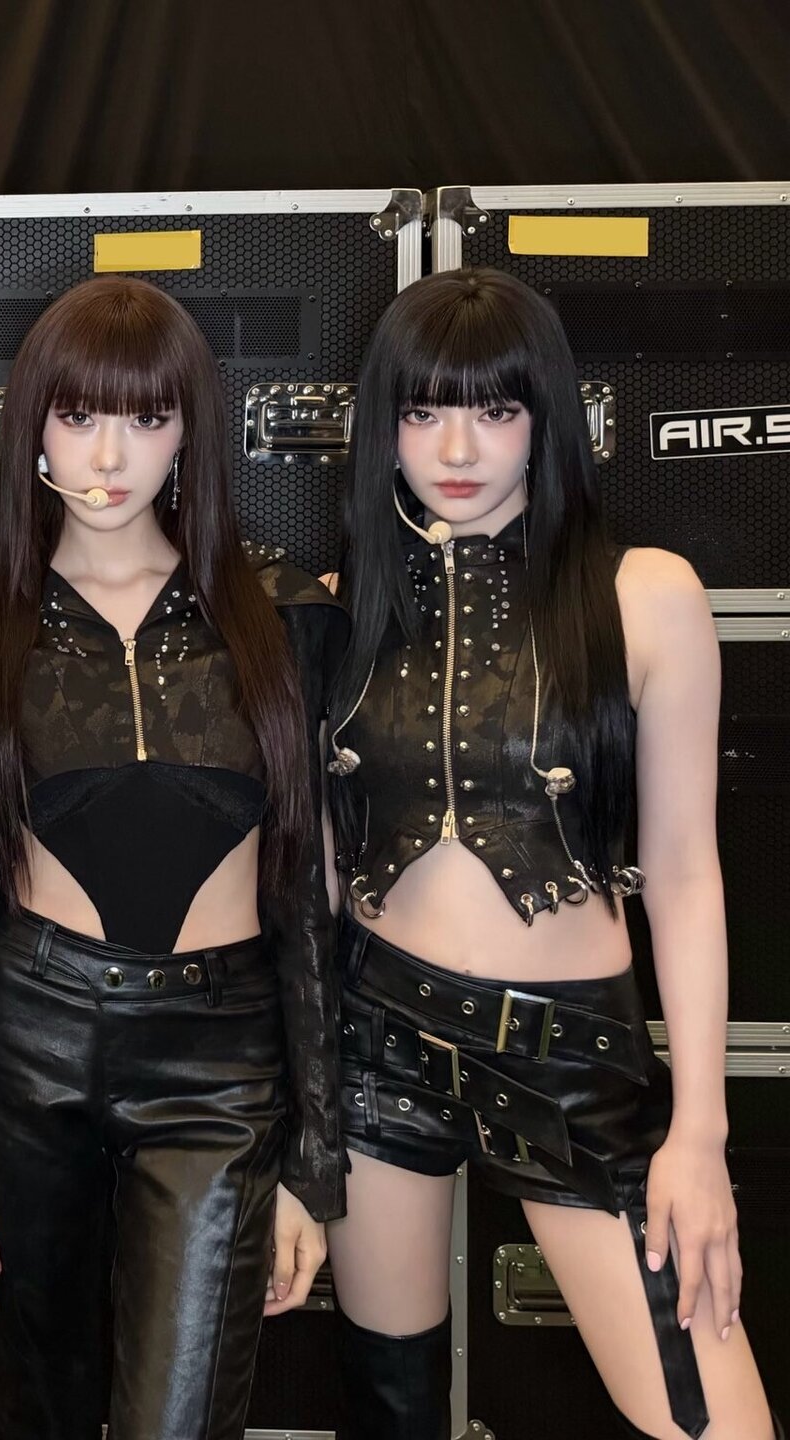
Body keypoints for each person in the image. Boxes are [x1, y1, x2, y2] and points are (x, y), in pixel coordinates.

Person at [321, 266, 777, 1439]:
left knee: (713, 1423)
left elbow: (687, 873)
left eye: (496, 410)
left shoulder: (647, 595)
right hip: (376, 1042)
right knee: (390, 1405)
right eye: (424, 411)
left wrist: (700, 1132)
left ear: (549, 416)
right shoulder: (341, 608)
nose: (456, 447)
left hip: (571, 1055)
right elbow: (316, 870)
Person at [0, 275, 347, 1440]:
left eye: (147, 418)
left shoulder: (280, 610)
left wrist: (316, 1160)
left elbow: (305, 890)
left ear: (189, 429)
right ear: (34, 424)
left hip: (220, 1061)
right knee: (43, 1407)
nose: (109, 455)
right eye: (79, 414)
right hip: (31, 1045)